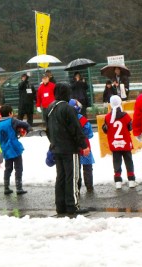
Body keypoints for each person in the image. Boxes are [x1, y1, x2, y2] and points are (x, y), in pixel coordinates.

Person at [45, 83, 90, 215]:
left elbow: (47, 129)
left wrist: (53, 143)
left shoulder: (50, 108)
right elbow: (76, 129)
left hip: (56, 147)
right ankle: (72, 205)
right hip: (70, 149)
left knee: (61, 177)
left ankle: (60, 205)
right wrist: (84, 145)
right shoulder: (68, 108)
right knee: (72, 177)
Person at [0, 105, 31, 195]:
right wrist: (27, 130)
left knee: (8, 169)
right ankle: (19, 188)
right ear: (10, 113)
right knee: (18, 168)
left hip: (5, 150)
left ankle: (6, 187)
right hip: (15, 148)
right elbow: (25, 124)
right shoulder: (12, 121)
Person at [102, 95, 136, 189]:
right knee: (128, 161)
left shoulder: (108, 117)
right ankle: (131, 180)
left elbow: (105, 129)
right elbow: (130, 127)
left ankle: (117, 181)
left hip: (114, 143)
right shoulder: (125, 115)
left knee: (116, 162)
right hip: (125, 143)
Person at [69, 99, 95, 192]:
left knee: (76, 168)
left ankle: (77, 187)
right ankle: (89, 186)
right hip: (85, 147)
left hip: (73, 147)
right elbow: (90, 134)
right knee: (87, 167)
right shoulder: (83, 119)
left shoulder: (67, 120)